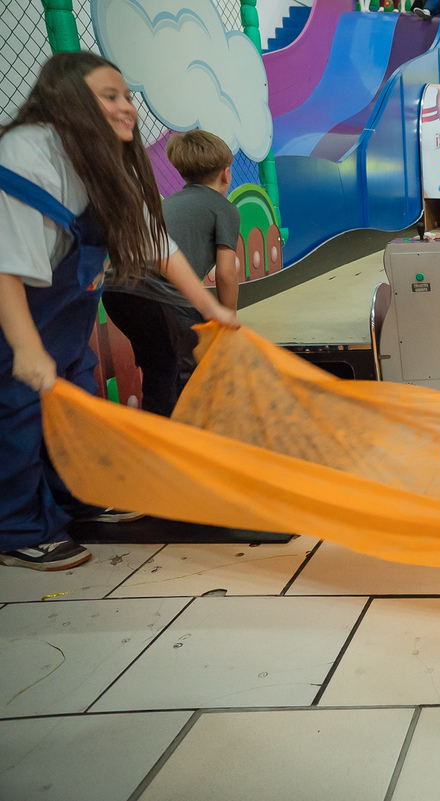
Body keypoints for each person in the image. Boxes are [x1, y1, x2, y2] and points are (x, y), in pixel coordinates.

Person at [0, 53, 238, 571]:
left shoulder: (101, 161)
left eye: (126, 95)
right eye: (110, 96)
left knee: (81, 411)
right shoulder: (26, 155)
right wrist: (24, 347)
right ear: (68, 104)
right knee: (15, 418)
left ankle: (81, 497)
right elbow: (6, 267)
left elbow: (155, 241)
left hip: (63, 324)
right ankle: (17, 529)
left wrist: (207, 305)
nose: (127, 106)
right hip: (13, 318)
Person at [102, 130, 241, 417]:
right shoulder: (224, 209)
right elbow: (226, 272)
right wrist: (227, 320)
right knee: (184, 371)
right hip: (156, 293)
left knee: (160, 367)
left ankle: (159, 437)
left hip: (116, 291)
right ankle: (182, 440)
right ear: (226, 174)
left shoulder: (165, 205)